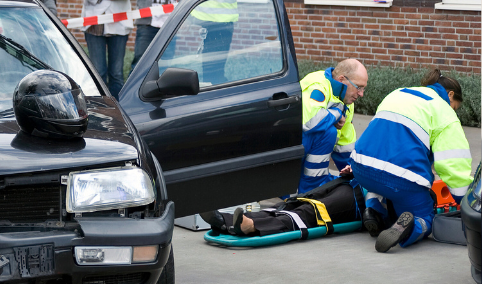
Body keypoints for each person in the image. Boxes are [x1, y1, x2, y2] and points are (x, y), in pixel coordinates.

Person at [349, 69, 473, 253]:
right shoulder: (444, 111)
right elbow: (453, 163)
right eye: (455, 106)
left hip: (361, 166)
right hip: (402, 178)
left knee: (378, 181)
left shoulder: (398, 93)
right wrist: (465, 202)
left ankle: (374, 210)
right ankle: (408, 230)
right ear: (450, 95)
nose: (454, 110)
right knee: (425, 215)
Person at [200, 176, 364, 237]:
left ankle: (252, 227)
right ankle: (224, 221)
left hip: (362, 200)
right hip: (352, 181)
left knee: (310, 211)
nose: (361, 96)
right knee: (292, 203)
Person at [298, 59, 367, 196]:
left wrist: (354, 173)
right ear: (342, 80)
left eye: (364, 88)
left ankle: (313, 186)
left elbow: (345, 144)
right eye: (358, 87)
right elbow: (311, 123)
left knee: (331, 131)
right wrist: (336, 113)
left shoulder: (346, 100)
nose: (361, 94)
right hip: (292, 146)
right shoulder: (318, 85)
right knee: (328, 131)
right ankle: (311, 188)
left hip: (302, 154)